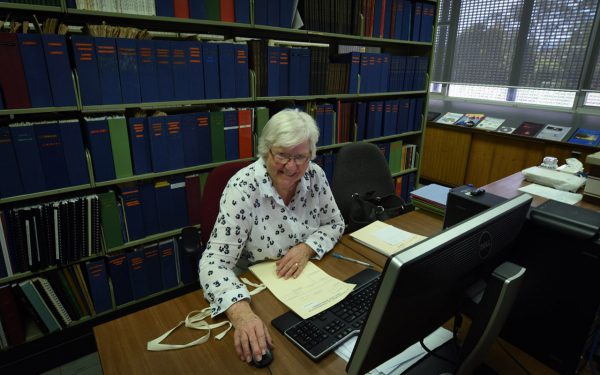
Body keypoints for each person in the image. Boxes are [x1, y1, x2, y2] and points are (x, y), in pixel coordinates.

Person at [199, 108, 345, 364]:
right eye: (282, 155)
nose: (292, 166)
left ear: (311, 154)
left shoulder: (316, 175)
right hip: (256, 286)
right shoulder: (242, 188)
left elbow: (334, 223)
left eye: (301, 157)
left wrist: (307, 248)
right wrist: (241, 314)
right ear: (266, 151)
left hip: (304, 282)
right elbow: (213, 263)